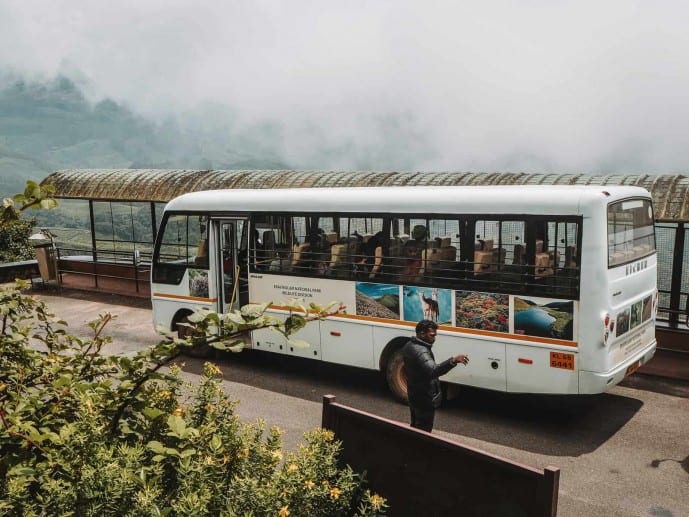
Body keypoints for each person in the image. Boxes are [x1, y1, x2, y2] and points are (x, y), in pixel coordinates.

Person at [402, 319, 469, 432]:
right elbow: (433, 370)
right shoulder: (421, 351)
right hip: (424, 398)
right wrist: (453, 361)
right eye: (432, 335)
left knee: (415, 426)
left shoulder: (409, 345)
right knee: (424, 431)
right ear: (422, 334)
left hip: (414, 394)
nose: (435, 338)